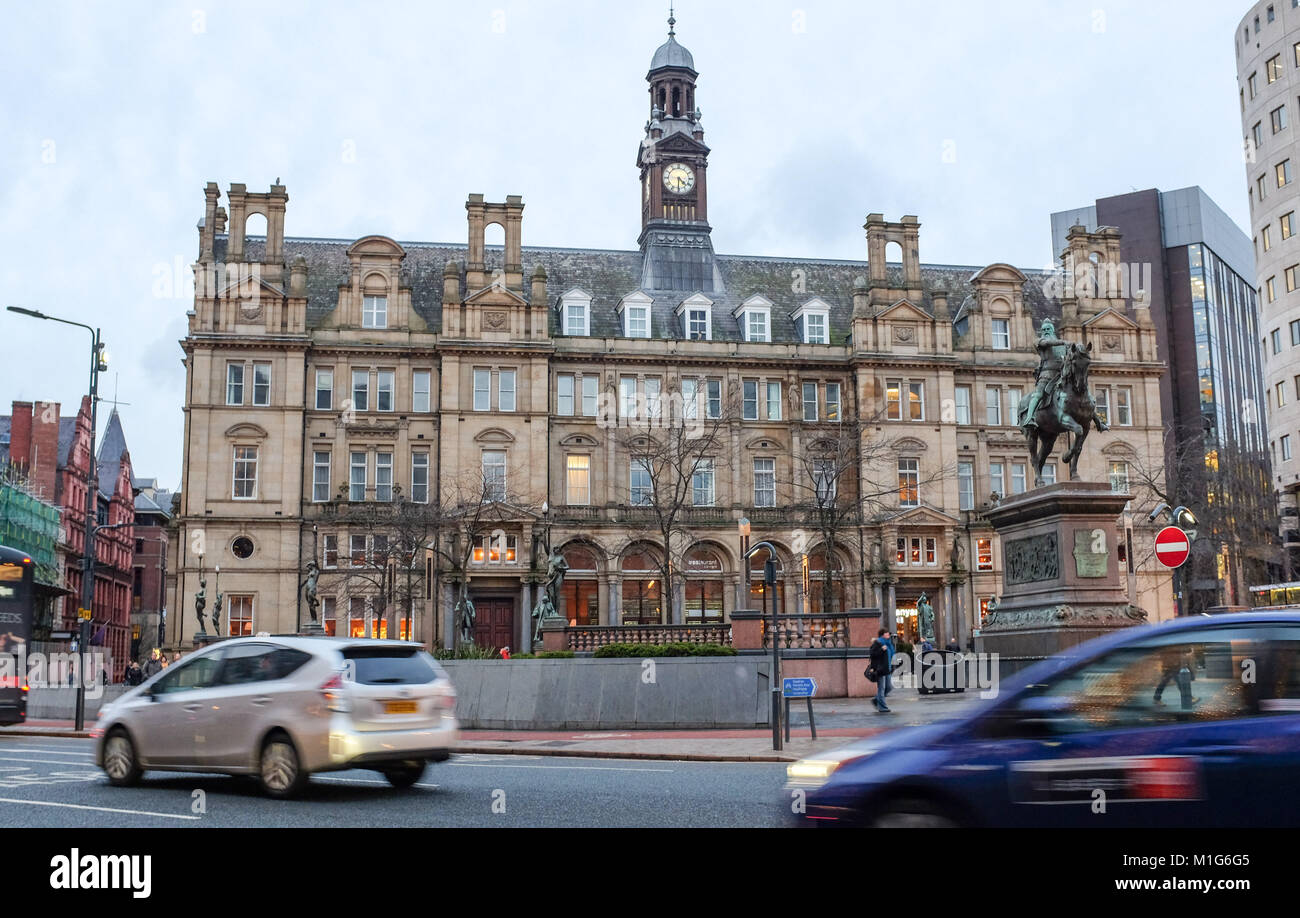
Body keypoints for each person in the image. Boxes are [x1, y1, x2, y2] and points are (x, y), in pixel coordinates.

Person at [868, 630, 891, 712]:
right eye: (887, 633)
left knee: (889, 687)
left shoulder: (888, 644)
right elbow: (872, 654)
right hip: (880, 669)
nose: (888, 634)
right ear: (882, 635)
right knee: (882, 688)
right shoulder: (877, 643)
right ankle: (882, 707)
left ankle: (876, 699)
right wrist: (881, 649)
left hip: (887, 668)